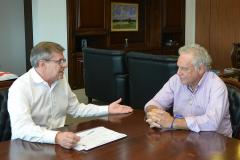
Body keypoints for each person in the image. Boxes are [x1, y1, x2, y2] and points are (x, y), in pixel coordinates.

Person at [8, 41, 133, 149]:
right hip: (28, 146)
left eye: (64, 60)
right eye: (60, 61)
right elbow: (22, 128)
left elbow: (76, 109)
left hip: (60, 140)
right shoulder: (20, 87)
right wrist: (56, 137)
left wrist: (107, 109)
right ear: (42, 64)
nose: (65, 65)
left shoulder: (60, 79)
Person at [145, 44, 232, 137]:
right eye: (178, 67)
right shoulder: (176, 80)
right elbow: (155, 102)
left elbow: (212, 122)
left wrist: (173, 122)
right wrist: (153, 113)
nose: (178, 73)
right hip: (184, 138)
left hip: (217, 144)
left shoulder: (216, 86)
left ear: (200, 69)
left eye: (184, 68)